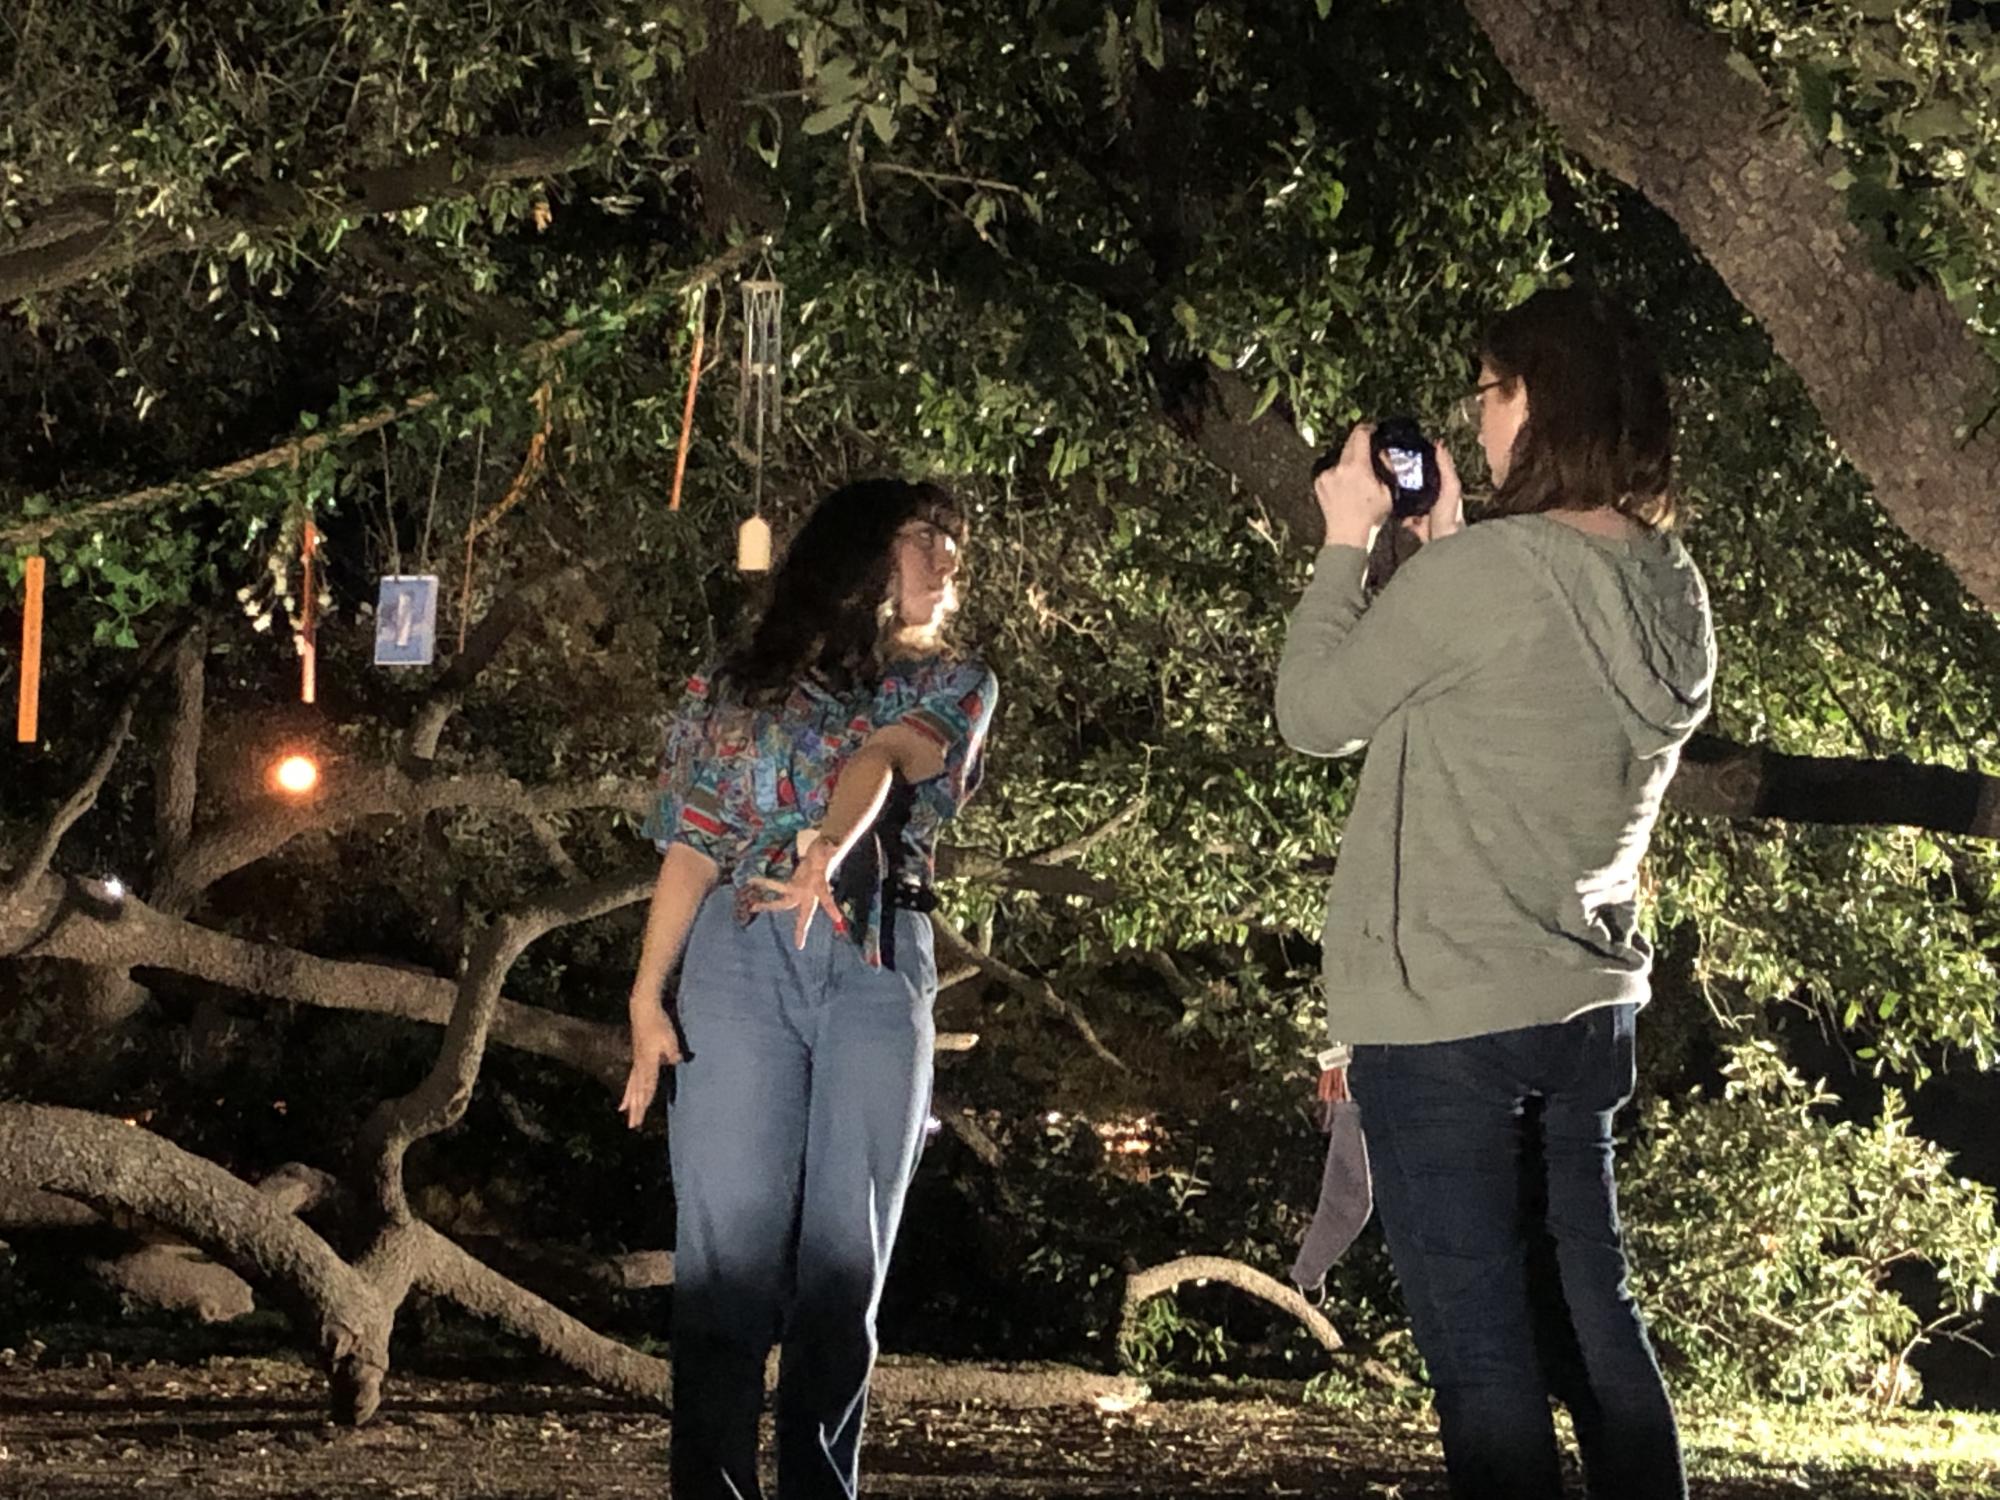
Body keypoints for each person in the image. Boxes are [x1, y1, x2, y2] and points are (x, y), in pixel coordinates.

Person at [1275, 286, 1715, 1500]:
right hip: (1582, 1003)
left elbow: (1312, 712)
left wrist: (1344, 542)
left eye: (1491, 392)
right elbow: (1487, 680)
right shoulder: (1669, 585)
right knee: (1593, 1327)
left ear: (1542, 400)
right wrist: (1444, 560)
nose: (1476, 422)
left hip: (1445, 1014)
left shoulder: (1491, 576)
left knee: (1482, 1363)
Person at [620, 478, 997, 1500]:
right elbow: (695, 841)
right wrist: (646, 996)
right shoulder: (734, 684)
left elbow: (883, 753)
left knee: (845, 1267)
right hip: (741, 950)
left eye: (953, 543)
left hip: (875, 953)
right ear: (865, 552)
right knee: (723, 1263)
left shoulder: (957, 682)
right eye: (926, 538)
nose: (946, 559)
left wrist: (829, 845)